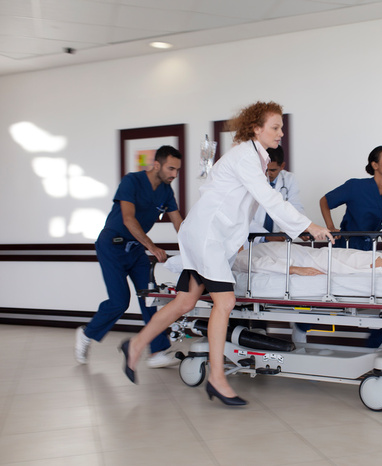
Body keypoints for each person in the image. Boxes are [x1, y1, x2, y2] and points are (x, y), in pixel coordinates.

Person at [119, 101, 333, 406]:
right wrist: (309, 226)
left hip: (209, 236)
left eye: (282, 127)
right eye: (275, 127)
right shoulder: (246, 156)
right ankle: (217, 379)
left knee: (185, 301)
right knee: (226, 300)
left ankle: (136, 345)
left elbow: (244, 206)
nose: (281, 133)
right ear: (256, 129)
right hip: (207, 237)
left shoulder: (255, 158)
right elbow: (268, 198)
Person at [75, 145, 183, 368]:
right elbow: (128, 219)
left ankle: (157, 352)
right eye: (171, 168)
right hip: (111, 246)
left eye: (177, 170)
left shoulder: (166, 191)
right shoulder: (131, 181)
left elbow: (179, 223)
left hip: (135, 249)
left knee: (149, 297)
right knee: (119, 301)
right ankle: (87, 333)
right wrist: (152, 247)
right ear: (157, 165)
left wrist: (193, 249)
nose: (174, 175)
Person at [232, 241, 382, 280]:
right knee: (376, 264)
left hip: (322, 256)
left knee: (379, 260)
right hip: (321, 263)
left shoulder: (253, 246)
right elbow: (258, 266)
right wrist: (297, 270)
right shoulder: (239, 258)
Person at [248, 145, 304, 242]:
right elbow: (244, 216)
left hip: (280, 239)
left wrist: (299, 228)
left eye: (273, 170)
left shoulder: (289, 179)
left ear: (282, 166)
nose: (268, 174)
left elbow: (296, 208)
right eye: (266, 169)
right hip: (253, 238)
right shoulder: (252, 179)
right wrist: (266, 236)